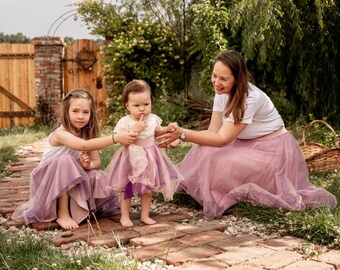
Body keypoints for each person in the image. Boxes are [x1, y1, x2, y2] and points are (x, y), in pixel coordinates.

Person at [157, 50, 337, 218]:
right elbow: (213, 132)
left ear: (237, 79)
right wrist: (176, 134)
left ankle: (222, 195)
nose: (216, 82)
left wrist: (183, 134)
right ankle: (207, 192)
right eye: (214, 75)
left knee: (217, 158)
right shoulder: (222, 92)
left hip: (272, 150)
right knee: (203, 149)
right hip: (246, 143)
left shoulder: (250, 98)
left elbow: (222, 139)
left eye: (223, 79)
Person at [11, 88, 138, 230]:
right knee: (65, 159)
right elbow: (83, 145)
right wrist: (115, 138)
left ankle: (80, 210)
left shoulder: (87, 133)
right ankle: (62, 213)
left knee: (96, 175)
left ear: (91, 114)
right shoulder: (60, 133)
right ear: (66, 112)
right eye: (75, 111)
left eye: (85, 112)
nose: (80, 116)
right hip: (49, 182)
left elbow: (97, 162)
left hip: (70, 183)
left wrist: (88, 165)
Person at [105, 79, 184, 227]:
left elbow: (157, 132)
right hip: (131, 158)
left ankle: (144, 215)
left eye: (146, 104)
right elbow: (121, 139)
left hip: (150, 157)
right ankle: (125, 216)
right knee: (127, 188)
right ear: (127, 105)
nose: (142, 109)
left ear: (151, 103)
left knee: (148, 189)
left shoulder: (153, 119)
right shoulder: (125, 121)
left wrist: (168, 129)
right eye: (136, 105)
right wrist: (135, 128)